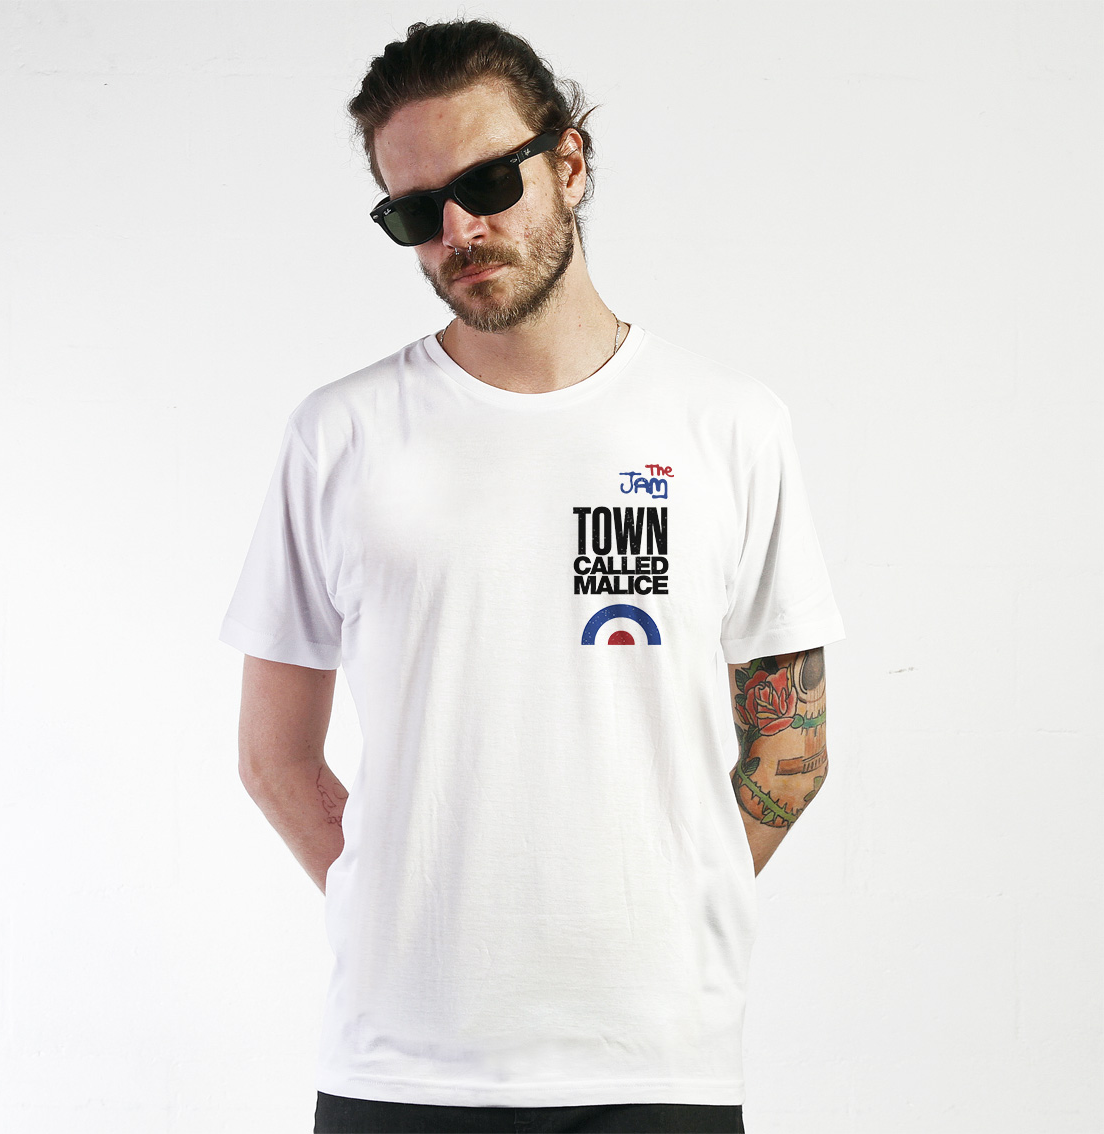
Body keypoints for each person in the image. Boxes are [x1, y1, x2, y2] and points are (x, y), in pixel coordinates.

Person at [219, 18, 845, 1134]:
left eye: (487, 182)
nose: (459, 229)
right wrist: (406, 921)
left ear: (569, 161)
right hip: (399, 1069)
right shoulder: (340, 436)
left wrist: (657, 920)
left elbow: (791, 752)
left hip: (656, 1068)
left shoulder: (729, 426)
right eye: (416, 212)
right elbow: (275, 759)